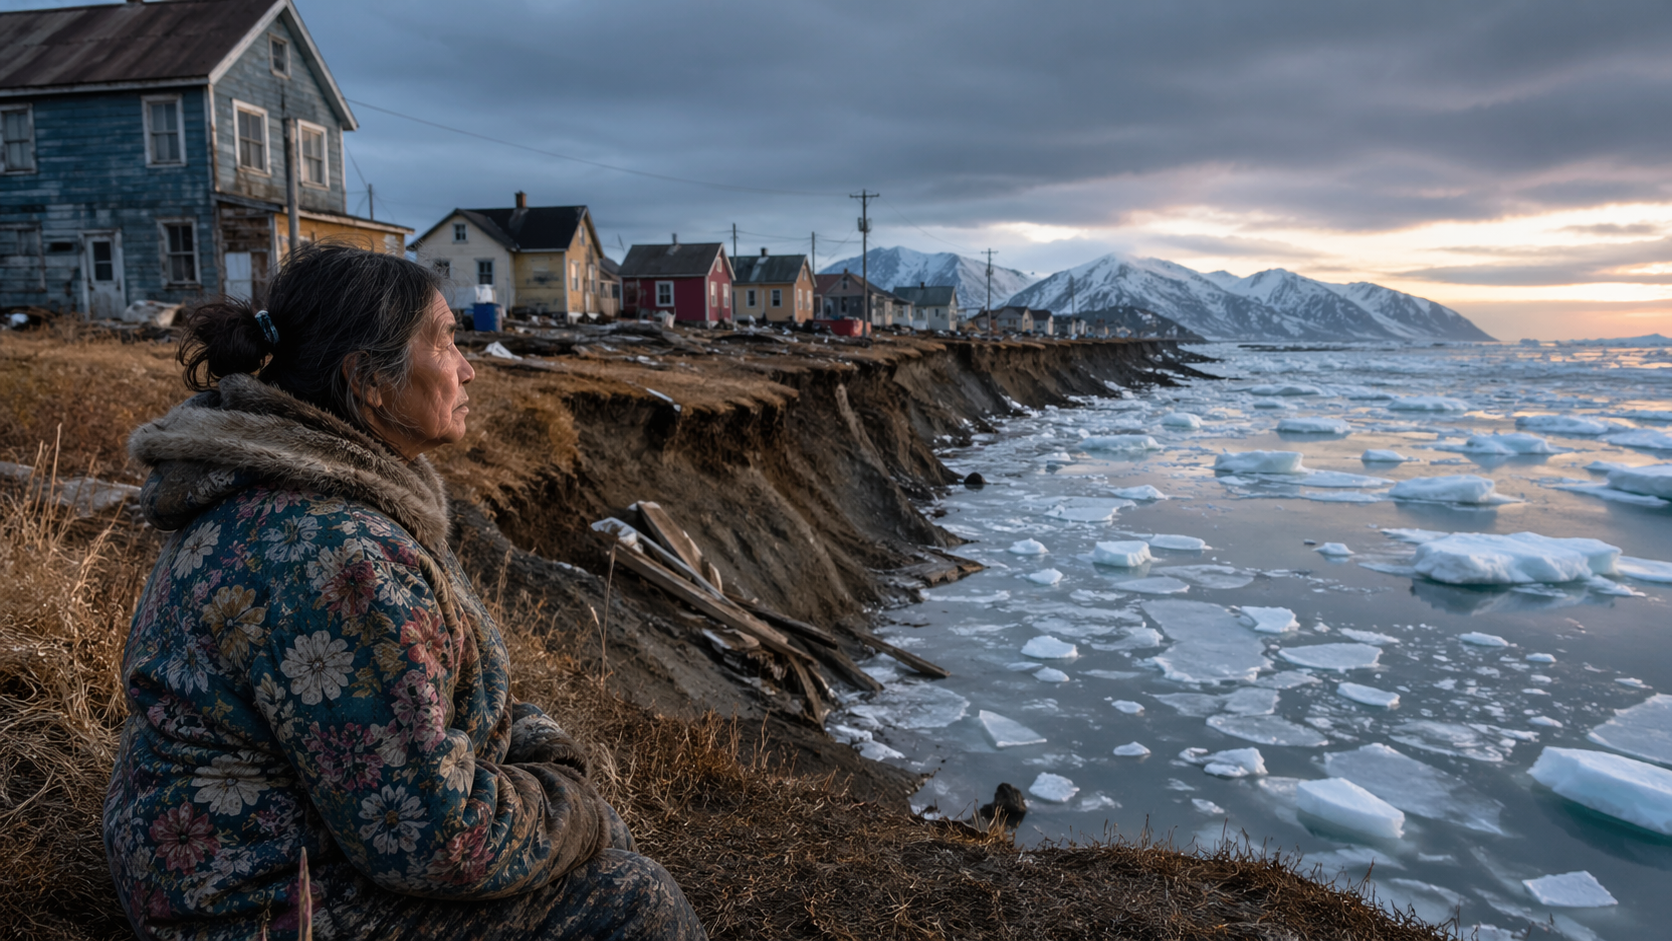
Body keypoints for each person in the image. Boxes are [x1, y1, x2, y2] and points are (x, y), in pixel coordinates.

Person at [104, 244, 705, 941]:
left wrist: (543, 756)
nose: (469, 366)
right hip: (249, 907)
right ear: (370, 381)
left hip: (236, 864)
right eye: (447, 340)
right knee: (635, 900)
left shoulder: (321, 500)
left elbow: (433, 690)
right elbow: (433, 839)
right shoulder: (339, 557)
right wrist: (573, 803)